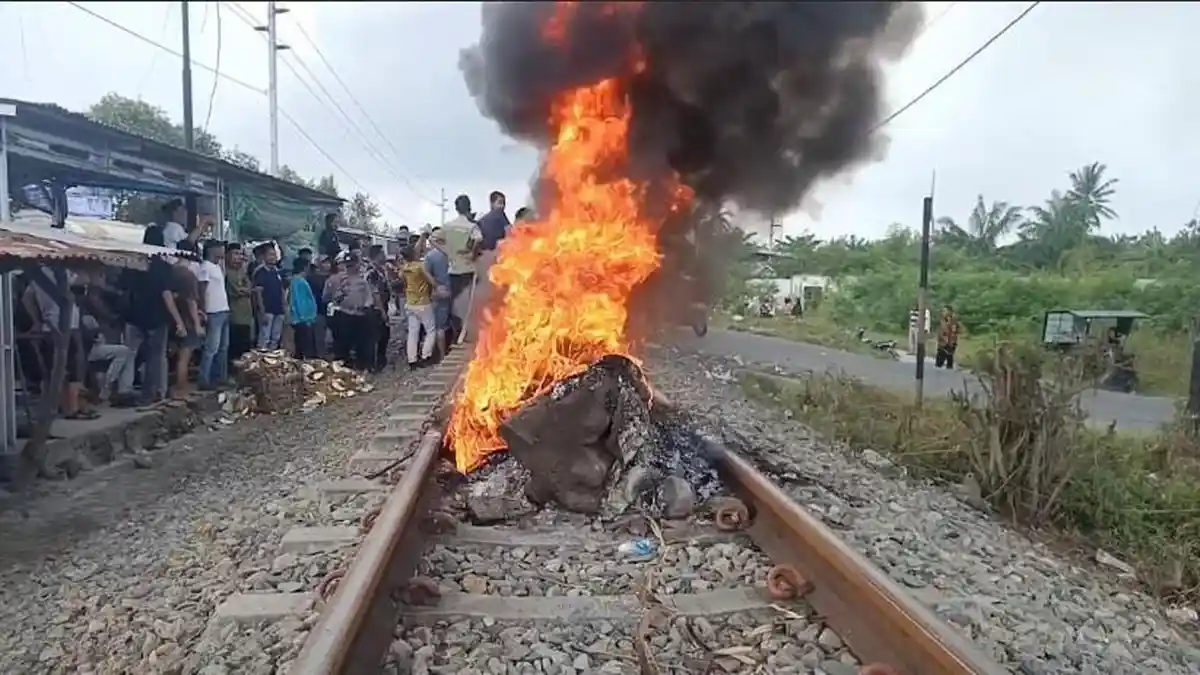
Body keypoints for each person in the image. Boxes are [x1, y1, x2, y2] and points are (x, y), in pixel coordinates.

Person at [24, 266, 97, 419]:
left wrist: (37, 320)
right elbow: (85, 280)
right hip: (69, 325)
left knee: (54, 373)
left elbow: (27, 298)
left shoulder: (37, 277)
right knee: (74, 370)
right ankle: (72, 409)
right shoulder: (62, 272)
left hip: (48, 327)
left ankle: (57, 408)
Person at [124, 227, 183, 405]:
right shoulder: (163, 268)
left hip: (133, 316)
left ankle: (124, 391)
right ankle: (157, 392)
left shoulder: (133, 265)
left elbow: (124, 290)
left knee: (130, 354)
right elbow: (167, 296)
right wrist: (179, 322)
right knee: (157, 356)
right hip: (157, 318)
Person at [323, 252, 377, 370]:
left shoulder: (363, 279)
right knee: (342, 344)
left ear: (357, 264)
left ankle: (362, 367)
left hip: (360, 315)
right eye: (348, 265)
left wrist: (366, 307)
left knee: (362, 344)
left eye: (352, 265)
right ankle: (343, 368)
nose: (350, 268)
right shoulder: (336, 279)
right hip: (343, 314)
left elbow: (369, 297)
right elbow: (327, 297)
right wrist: (339, 295)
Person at [197, 240, 230, 389]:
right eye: (220, 248)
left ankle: (220, 377)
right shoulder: (205, 267)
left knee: (223, 347)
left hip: (223, 310)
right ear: (212, 250)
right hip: (213, 312)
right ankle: (204, 379)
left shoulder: (217, 267)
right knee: (212, 348)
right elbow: (201, 291)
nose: (223, 250)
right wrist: (202, 311)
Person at [443, 194, 477, 343]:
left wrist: (447, 252)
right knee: (468, 304)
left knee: (455, 304)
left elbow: (433, 238)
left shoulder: (448, 226)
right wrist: (472, 253)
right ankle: (465, 335)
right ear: (468, 207)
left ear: (456, 208)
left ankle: (457, 335)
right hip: (468, 270)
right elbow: (479, 238)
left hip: (453, 270)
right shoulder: (471, 226)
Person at [170, 257, 204, 399]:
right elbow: (191, 301)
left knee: (175, 357)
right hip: (187, 322)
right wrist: (197, 324)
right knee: (185, 357)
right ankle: (181, 389)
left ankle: (176, 389)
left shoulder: (171, 272)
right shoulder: (188, 275)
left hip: (173, 320)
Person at [400, 246, 437, 369]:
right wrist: (437, 286)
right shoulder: (420, 266)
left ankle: (412, 360)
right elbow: (431, 281)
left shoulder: (404, 268)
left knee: (412, 333)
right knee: (431, 330)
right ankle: (426, 356)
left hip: (410, 303)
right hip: (423, 303)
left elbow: (403, 282)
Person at [224, 243, 255, 364]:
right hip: (234, 316)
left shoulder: (242, 272)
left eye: (240, 254)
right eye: (235, 254)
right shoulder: (226, 272)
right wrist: (246, 291)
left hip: (246, 316)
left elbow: (249, 288)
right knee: (234, 349)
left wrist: (247, 290)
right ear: (227, 255)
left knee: (245, 349)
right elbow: (238, 291)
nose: (238, 257)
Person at [425, 229, 452, 359]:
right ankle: (454, 350)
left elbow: (426, 274)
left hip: (439, 293)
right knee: (455, 323)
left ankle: (442, 356)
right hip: (456, 292)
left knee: (439, 327)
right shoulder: (452, 253)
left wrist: (435, 287)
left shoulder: (430, 256)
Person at [253, 246, 286, 350]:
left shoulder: (277, 272)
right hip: (267, 310)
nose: (273, 257)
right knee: (264, 338)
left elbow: (281, 290)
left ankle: (272, 363)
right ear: (263, 256)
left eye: (274, 255)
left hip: (279, 310)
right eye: (270, 254)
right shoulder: (260, 272)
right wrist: (262, 312)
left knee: (275, 338)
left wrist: (285, 306)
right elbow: (258, 293)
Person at [365, 245, 391, 371]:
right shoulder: (372, 271)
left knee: (385, 335)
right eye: (383, 253)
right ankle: (374, 364)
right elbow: (374, 292)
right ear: (378, 255)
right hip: (375, 308)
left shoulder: (379, 269)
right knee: (378, 335)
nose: (385, 256)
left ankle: (381, 360)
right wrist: (382, 311)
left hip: (382, 305)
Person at [289, 259, 318, 359]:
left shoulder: (300, 280)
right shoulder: (298, 281)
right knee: (302, 345)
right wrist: (303, 317)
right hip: (302, 318)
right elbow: (298, 300)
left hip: (306, 318)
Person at [309, 256, 331, 358]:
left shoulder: (332, 277)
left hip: (331, 311)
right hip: (318, 310)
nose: (327, 265)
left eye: (328, 262)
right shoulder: (312, 278)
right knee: (319, 336)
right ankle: (319, 356)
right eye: (324, 262)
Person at [935, 305, 961, 370]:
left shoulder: (954, 322)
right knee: (938, 364)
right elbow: (940, 331)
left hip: (950, 344)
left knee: (949, 363)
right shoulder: (942, 321)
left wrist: (952, 343)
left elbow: (955, 332)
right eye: (943, 311)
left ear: (950, 312)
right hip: (942, 344)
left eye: (945, 311)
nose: (943, 312)